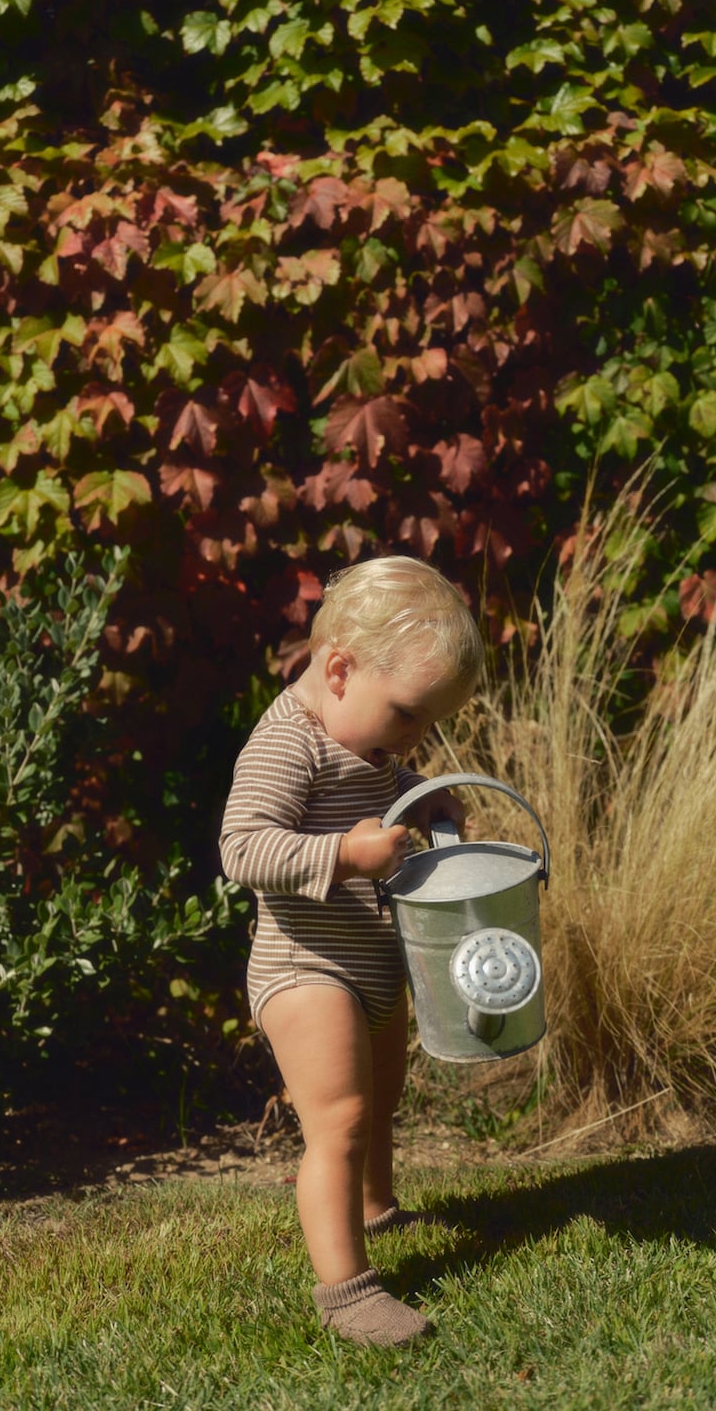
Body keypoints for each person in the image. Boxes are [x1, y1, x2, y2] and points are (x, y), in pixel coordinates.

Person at [219, 555, 485, 1347]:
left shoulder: (366, 744)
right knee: (340, 1117)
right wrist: (344, 855)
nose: (414, 735)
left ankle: (375, 1209)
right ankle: (347, 1293)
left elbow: (379, 788)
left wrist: (422, 796)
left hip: (371, 960)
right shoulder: (286, 745)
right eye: (408, 714)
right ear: (338, 670)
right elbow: (243, 848)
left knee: (380, 1097)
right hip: (305, 966)